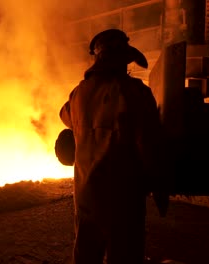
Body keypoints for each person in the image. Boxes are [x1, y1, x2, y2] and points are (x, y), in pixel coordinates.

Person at [59, 29, 169, 264]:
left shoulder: (78, 94)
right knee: (125, 255)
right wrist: (159, 185)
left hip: (86, 195)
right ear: (121, 60)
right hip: (123, 197)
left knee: (86, 255)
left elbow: (65, 116)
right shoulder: (135, 92)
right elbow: (147, 144)